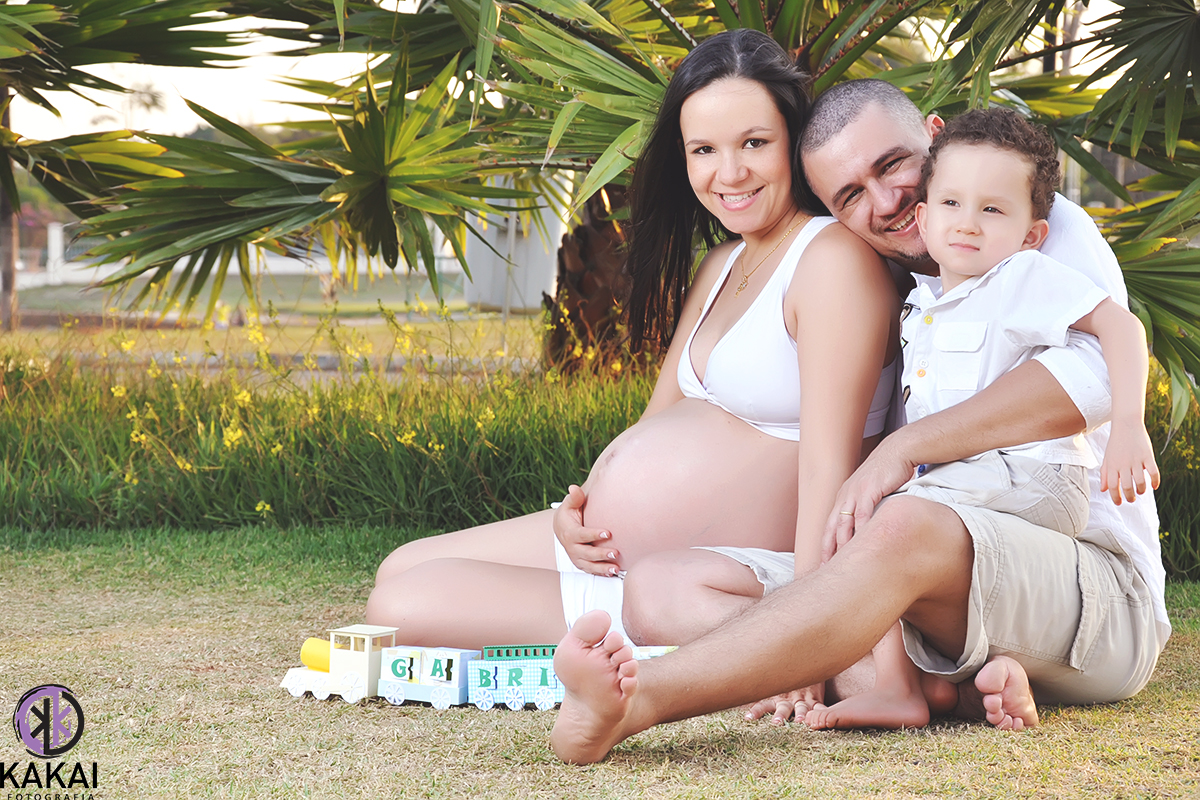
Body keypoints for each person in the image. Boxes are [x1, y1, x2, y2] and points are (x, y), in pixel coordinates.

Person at [548, 80, 1170, 763]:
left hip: (1096, 592)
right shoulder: (891, 280)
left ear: (935, 137)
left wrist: (903, 450)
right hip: (931, 577)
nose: (884, 203)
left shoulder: (1024, 224)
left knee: (898, 518)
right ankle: (928, 690)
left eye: (891, 166)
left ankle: (642, 699)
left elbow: (1100, 373)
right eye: (849, 196)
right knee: (664, 586)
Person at [364, 32, 900, 650]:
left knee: (401, 602)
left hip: (688, 577)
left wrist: (807, 634)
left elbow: (829, 468)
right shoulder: (723, 264)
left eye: (755, 143)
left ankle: (684, 631)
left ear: (794, 143)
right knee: (399, 566)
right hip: (610, 549)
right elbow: (656, 423)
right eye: (704, 150)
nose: (729, 173)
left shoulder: (830, 258)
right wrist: (581, 507)